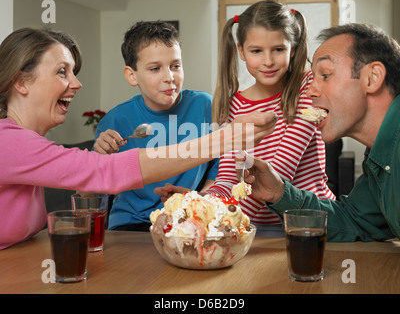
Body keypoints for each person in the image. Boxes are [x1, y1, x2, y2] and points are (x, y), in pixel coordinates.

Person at [0, 27, 276, 249]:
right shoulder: (7, 143)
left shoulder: (26, 143)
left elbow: (84, 183)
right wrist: (225, 139)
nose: (77, 83)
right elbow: (104, 174)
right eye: (62, 71)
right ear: (21, 82)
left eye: (74, 71)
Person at [156, 0, 334, 237]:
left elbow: (280, 172)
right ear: (241, 51)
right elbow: (228, 176)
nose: (268, 61)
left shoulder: (308, 87)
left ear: (293, 47)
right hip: (253, 228)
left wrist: (217, 215)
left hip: (308, 223)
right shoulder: (234, 105)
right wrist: (200, 200)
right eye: (256, 51)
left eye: (278, 49)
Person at [238, 23, 400, 242]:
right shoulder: (377, 158)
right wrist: (279, 193)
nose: (311, 90)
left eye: (325, 75)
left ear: (372, 78)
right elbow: (354, 221)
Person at [93, 21, 219, 231]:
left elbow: (220, 167)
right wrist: (99, 160)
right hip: (131, 226)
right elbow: (94, 194)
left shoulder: (206, 106)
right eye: (155, 69)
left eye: (175, 66)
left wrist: (199, 199)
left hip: (188, 220)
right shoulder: (115, 120)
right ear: (132, 75)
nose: (169, 78)